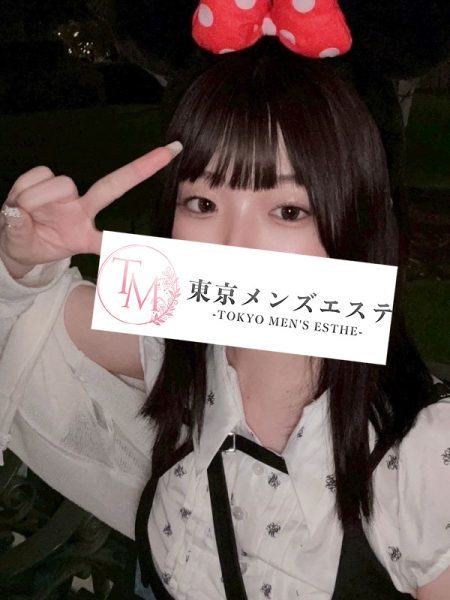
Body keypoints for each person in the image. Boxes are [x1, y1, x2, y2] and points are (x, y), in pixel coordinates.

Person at [1, 44, 449, 599]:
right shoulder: (177, 348)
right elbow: (26, 321)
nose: (234, 245)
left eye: (289, 211)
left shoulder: (424, 453)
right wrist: (25, 262)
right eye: (202, 204)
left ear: (359, 224)